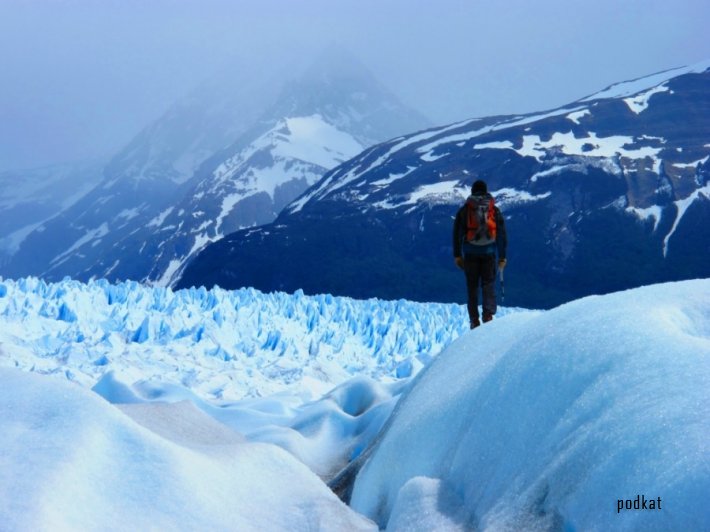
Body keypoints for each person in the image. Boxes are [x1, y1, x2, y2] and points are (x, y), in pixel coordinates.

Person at [452, 179, 507, 329]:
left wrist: (457, 255)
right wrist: (502, 257)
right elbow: (501, 235)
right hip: (489, 253)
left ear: (472, 191)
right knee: (488, 284)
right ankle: (488, 315)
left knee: (472, 287)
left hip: (470, 254)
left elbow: (457, 233)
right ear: (485, 190)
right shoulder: (494, 210)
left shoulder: (465, 210)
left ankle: (474, 320)